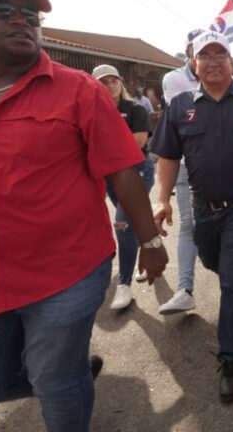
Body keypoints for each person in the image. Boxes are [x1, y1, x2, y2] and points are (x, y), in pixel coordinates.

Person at [0, 0, 167, 431]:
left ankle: (63, 382)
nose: (22, 21)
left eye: (31, 15)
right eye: (3, 10)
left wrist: (151, 244)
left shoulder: (79, 90)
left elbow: (123, 169)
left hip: (66, 272)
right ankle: (69, 377)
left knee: (56, 382)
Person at [152, 30, 233, 404]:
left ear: (231, 60)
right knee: (213, 262)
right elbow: (168, 157)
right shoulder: (180, 104)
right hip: (203, 207)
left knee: (232, 280)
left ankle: (232, 357)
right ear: (195, 63)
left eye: (221, 54)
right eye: (206, 55)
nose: (215, 61)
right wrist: (162, 199)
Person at [92, 64, 156, 310]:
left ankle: (124, 284)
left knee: (122, 224)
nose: (109, 86)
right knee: (134, 221)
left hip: (136, 172)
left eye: (113, 81)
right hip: (109, 175)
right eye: (103, 82)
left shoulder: (135, 109)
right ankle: (151, 249)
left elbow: (137, 142)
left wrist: (100, 148)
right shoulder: (90, 111)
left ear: (121, 83)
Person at [157, 28, 205, 315]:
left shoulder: (226, 75)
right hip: (187, 167)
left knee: (227, 229)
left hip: (221, 168)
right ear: (189, 52)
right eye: (198, 50)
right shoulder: (174, 79)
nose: (207, 58)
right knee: (189, 226)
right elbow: (191, 115)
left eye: (214, 52)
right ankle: (185, 289)